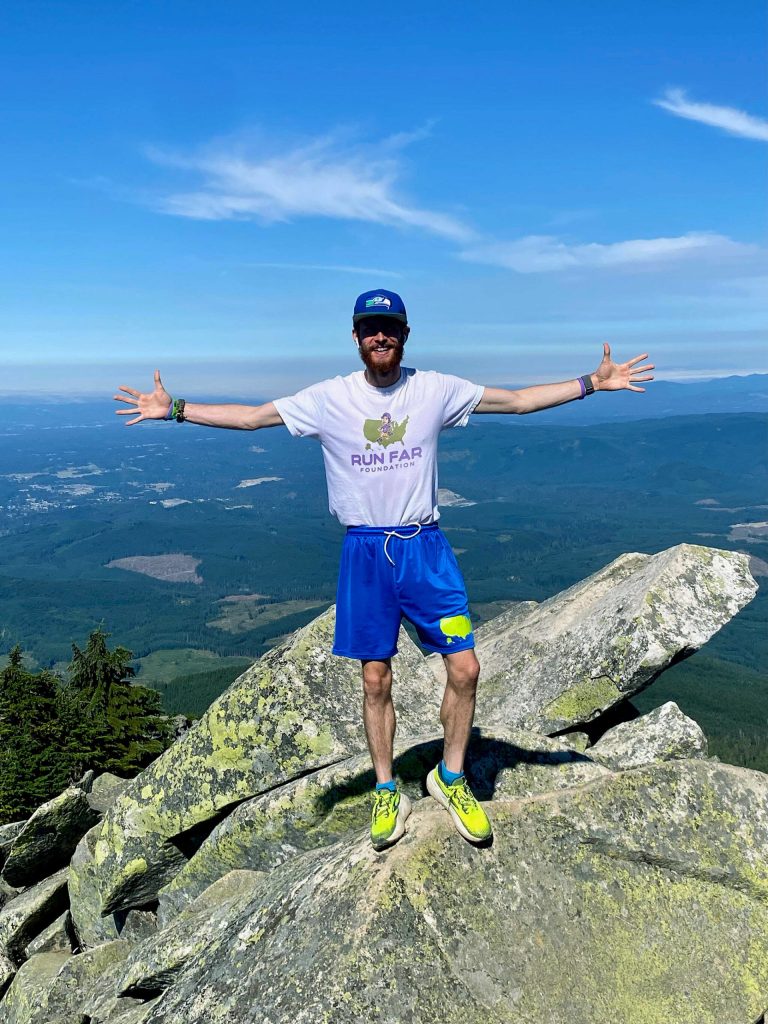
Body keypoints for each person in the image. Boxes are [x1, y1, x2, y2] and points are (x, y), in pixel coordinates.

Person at [114, 288, 654, 851]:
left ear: (404, 333)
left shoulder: (434, 389)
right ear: (355, 336)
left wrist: (593, 383)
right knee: (375, 678)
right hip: (366, 553)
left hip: (425, 548)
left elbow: (516, 401)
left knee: (465, 669)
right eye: (371, 328)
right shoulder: (329, 398)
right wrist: (174, 410)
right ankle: (385, 788)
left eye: (390, 327)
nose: (381, 336)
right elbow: (252, 419)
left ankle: (449, 778)